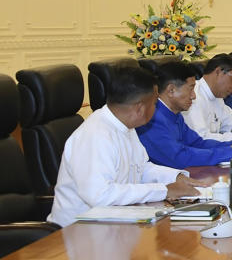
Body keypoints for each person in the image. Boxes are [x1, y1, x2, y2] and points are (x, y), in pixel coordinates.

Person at [47, 66, 207, 227]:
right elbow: (100, 196)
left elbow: (141, 168)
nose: (156, 108)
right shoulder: (95, 135)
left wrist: (176, 178)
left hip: (113, 222)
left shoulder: (125, 126)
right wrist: (164, 190)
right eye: (154, 103)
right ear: (139, 108)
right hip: (77, 232)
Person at [137, 61, 232, 169]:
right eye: (191, 89)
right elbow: (180, 158)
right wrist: (228, 152)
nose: (194, 96)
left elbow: (196, 143)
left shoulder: (174, 113)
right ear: (171, 90)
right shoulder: (152, 118)